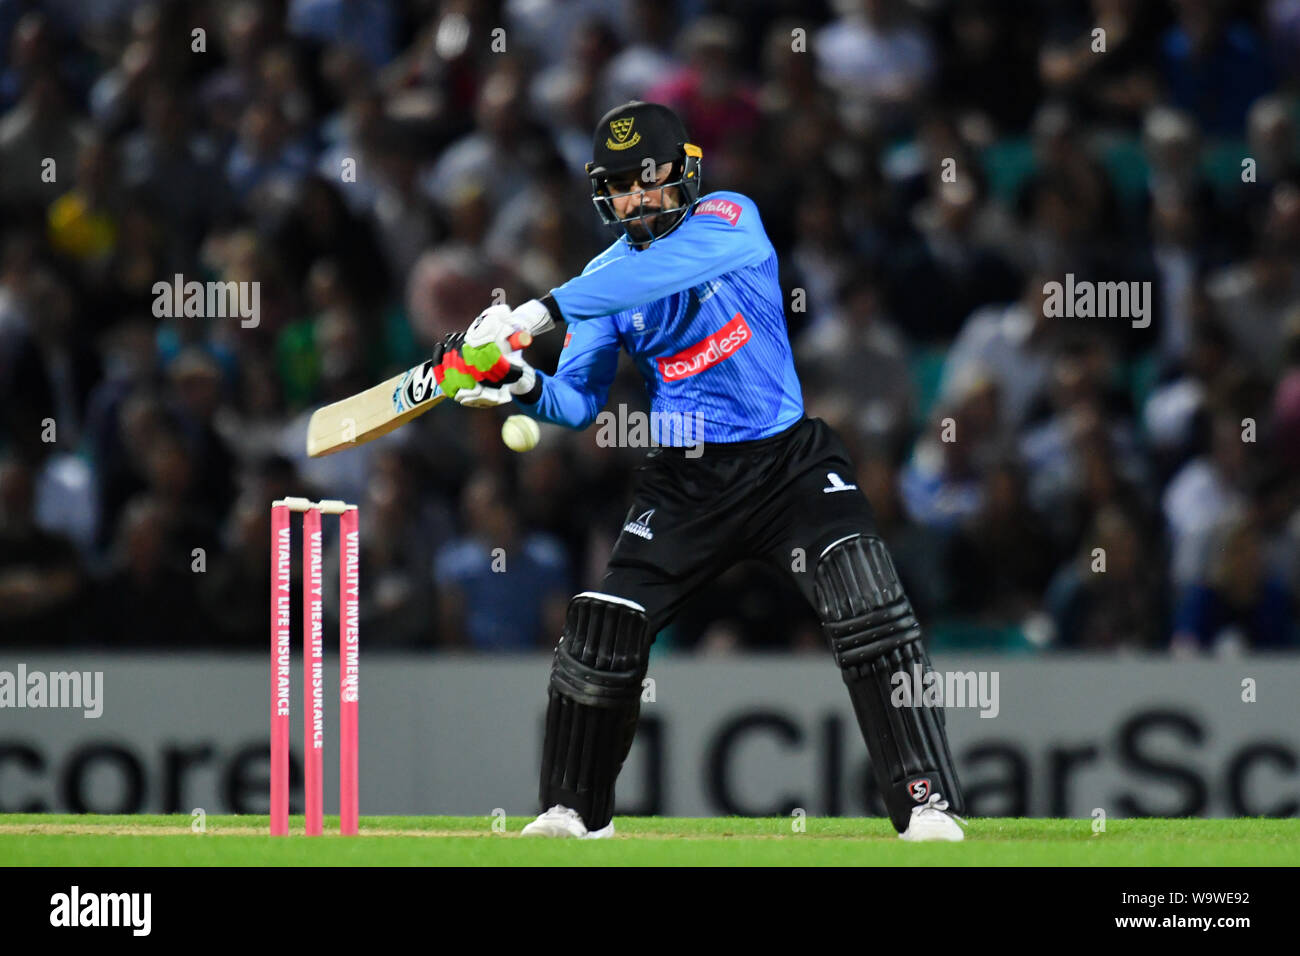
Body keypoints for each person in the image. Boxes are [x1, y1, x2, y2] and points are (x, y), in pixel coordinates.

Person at [433, 101, 965, 841]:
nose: (635, 200)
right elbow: (580, 401)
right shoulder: (601, 278)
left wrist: (531, 315)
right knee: (603, 626)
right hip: (685, 484)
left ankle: (925, 803)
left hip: (789, 466)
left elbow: (661, 273)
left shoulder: (730, 219)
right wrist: (518, 382)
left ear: (685, 174)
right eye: (619, 186)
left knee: (866, 596)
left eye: (649, 181)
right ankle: (574, 812)